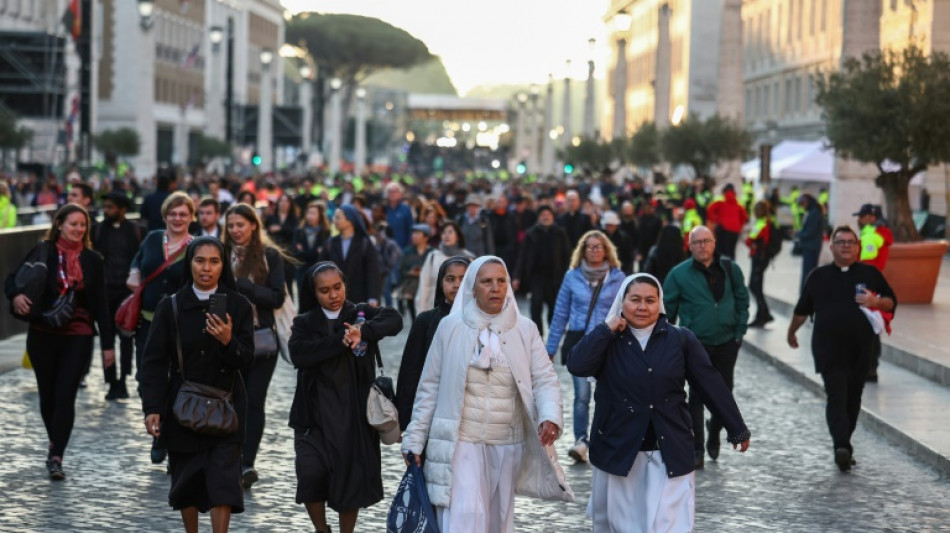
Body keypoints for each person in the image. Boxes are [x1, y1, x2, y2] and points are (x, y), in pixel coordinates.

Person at [402, 256, 574, 532]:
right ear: (473, 286)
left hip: (507, 442)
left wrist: (550, 416)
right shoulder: (450, 327)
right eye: (487, 282)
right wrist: (414, 439)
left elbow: (544, 378)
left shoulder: (525, 329)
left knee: (497, 520)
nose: (495, 288)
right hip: (462, 441)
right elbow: (429, 387)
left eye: (501, 281)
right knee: (463, 516)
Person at [569, 273, 750, 531]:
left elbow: (710, 384)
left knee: (670, 524)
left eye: (650, 300)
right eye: (635, 300)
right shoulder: (607, 340)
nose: (642, 307)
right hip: (619, 450)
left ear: (660, 303)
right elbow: (577, 364)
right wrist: (605, 329)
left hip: (670, 449)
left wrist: (736, 427)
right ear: (622, 302)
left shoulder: (680, 339)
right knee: (624, 525)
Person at [140, 237, 255, 532]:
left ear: (223, 265)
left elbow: (246, 360)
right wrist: (152, 408)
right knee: (186, 484)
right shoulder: (171, 306)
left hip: (227, 406)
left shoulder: (239, 305)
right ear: (189, 263)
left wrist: (228, 341)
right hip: (183, 406)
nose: (206, 268)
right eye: (199, 260)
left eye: (214, 261)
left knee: (223, 484)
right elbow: (153, 362)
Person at [289, 262, 403, 533]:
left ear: (345, 285)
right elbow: (298, 354)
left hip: (353, 417)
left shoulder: (360, 313)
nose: (333, 295)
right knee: (310, 475)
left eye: (337, 287)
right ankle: (321, 529)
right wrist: (339, 341)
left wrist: (364, 331)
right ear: (314, 293)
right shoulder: (304, 322)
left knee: (350, 483)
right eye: (324, 290)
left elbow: (395, 319)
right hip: (313, 416)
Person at [7, 204, 115, 480]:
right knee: (48, 396)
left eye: (83, 225)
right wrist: (16, 296)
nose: (78, 229)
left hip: (78, 334)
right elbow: (12, 280)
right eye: (73, 224)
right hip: (42, 332)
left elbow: (101, 304)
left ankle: (56, 456)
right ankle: (54, 441)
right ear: (59, 224)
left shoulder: (92, 259)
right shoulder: (43, 251)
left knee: (66, 395)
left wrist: (107, 345)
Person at [787, 225, 896, 471]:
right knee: (836, 396)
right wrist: (791, 331)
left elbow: (891, 302)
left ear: (858, 247)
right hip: (828, 349)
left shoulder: (870, 274)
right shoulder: (818, 276)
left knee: (853, 398)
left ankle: (844, 443)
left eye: (850, 242)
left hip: (861, 350)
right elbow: (802, 310)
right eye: (840, 242)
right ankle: (842, 446)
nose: (846, 246)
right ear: (832, 246)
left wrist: (875, 301)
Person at [662, 225, 749, 468]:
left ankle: (715, 432)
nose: (702, 246)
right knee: (696, 396)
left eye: (706, 241)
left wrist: (739, 332)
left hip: (728, 341)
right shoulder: (679, 274)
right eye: (697, 242)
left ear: (714, 243)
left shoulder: (731, 269)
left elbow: (742, 300)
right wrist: (667, 340)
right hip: (696, 343)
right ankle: (696, 449)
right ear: (689, 246)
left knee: (724, 392)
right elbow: (667, 310)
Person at [222, 203, 290, 489]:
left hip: (261, 340)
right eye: (231, 225)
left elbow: (277, 297)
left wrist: (245, 286)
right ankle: (227, 456)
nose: (235, 230)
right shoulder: (220, 254)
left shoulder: (269, 256)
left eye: (241, 224)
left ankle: (247, 462)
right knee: (230, 399)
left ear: (253, 225)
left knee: (254, 401)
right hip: (227, 339)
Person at [545, 231, 625, 464]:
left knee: (607, 394)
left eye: (598, 246)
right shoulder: (572, 277)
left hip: (609, 344)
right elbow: (560, 314)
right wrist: (550, 349)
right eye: (589, 246)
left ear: (606, 250)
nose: (594, 250)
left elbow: (626, 310)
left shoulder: (618, 277)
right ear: (582, 250)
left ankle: (605, 439)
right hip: (581, 344)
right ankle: (581, 441)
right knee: (582, 395)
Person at [128, 191, 195, 464]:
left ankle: (165, 435)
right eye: (173, 214)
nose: (177, 218)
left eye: (183, 214)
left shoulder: (195, 246)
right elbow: (138, 259)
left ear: (191, 217)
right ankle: (158, 423)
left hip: (179, 325)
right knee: (145, 379)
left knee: (175, 380)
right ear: (165, 215)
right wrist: (134, 272)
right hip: (147, 321)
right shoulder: (153, 238)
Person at [396, 256, 470, 431]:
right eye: (450, 279)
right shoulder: (426, 321)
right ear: (440, 283)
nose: (457, 285)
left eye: (464, 279)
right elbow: (410, 371)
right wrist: (404, 419)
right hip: (432, 411)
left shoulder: (482, 321)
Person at [94, 192, 143, 399]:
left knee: (125, 338)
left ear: (122, 209)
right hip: (104, 292)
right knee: (106, 337)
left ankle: (123, 379)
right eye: (105, 207)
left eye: (110, 207)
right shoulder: (98, 230)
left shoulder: (136, 231)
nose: (106, 211)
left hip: (126, 293)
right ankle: (111, 380)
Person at [308, 205, 381, 313]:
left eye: (338, 217)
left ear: (350, 219)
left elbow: (373, 272)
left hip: (360, 299)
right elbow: (319, 270)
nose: (335, 220)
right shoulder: (330, 243)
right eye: (334, 217)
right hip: (334, 300)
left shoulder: (364, 243)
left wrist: (373, 297)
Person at [512, 205, 571, 336]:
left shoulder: (560, 233)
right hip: (536, 276)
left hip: (555, 277)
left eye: (548, 215)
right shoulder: (530, 233)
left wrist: (568, 275)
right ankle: (537, 335)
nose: (546, 217)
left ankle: (554, 333)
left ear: (552, 217)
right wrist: (517, 276)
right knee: (536, 305)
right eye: (543, 215)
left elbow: (567, 256)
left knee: (554, 306)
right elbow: (522, 256)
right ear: (539, 217)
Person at [415, 220, 475, 315]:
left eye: (450, 232)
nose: (446, 235)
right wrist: (421, 313)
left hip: (463, 311)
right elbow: (424, 285)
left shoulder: (469, 258)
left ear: (458, 236)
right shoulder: (433, 256)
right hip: (434, 309)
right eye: (443, 232)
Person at [746, 201, 775, 328]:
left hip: (759, 258)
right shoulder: (766, 222)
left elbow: (749, 240)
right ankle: (763, 314)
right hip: (761, 258)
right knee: (756, 286)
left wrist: (750, 241)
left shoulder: (761, 223)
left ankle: (764, 314)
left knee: (755, 286)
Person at [292, 201, 331, 296]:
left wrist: (304, 251)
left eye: (313, 213)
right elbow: (296, 253)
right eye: (308, 213)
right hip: (302, 270)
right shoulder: (299, 231)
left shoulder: (325, 232)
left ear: (320, 216)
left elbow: (324, 254)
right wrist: (315, 251)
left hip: (319, 271)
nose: (310, 216)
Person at [397, 224, 434, 320]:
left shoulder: (433, 252)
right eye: (413, 233)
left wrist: (424, 273)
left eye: (417, 233)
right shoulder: (407, 251)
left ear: (426, 238)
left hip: (428, 289)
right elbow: (400, 269)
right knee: (414, 315)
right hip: (411, 289)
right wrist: (410, 272)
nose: (413, 236)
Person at [705, 183, 748, 259]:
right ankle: (731, 264)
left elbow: (710, 209)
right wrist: (739, 226)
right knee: (731, 251)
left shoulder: (720, 200)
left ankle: (721, 264)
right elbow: (744, 217)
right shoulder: (738, 203)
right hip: (735, 230)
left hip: (723, 229)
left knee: (721, 250)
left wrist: (715, 220)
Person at [796, 193, 824, 294]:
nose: (802, 207)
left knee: (808, 273)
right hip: (811, 247)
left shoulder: (814, 214)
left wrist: (798, 234)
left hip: (811, 248)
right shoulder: (814, 212)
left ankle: (806, 294)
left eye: (802, 204)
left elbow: (810, 232)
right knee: (809, 273)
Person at [385, 182, 414, 248]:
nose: (392, 194)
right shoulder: (383, 208)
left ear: (400, 194)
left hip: (402, 247)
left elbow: (410, 229)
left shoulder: (406, 209)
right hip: (385, 248)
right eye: (390, 192)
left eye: (395, 191)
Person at [636, 200, 663, 271]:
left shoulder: (657, 220)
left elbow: (660, 234)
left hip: (654, 246)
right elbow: (639, 236)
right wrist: (639, 251)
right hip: (643, 248)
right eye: (645, 208)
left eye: (649, 208)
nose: (647, 209)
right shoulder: (640, 220)